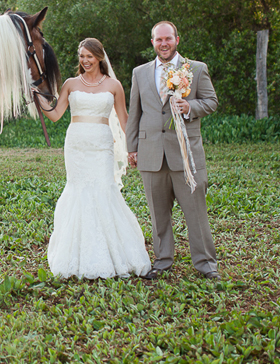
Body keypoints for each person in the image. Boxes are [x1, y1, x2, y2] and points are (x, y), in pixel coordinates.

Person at [34, 38, 151, 279]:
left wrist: (133, 148)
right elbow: (56, 115)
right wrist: (39, 97)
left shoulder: (114, 85)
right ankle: (75, 253)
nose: (85, 61)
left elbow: (124, 119)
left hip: (101, 144)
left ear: (99, 57)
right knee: (78, 189)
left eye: (90, 56)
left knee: (103, 188)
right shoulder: (70, 84)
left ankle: (115, 253)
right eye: (82, 56)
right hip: (76, 144)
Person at [126, 21, 219, 280]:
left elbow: (211, 101)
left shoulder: (196, 69)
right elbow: (135, 112)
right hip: (151, 152)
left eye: (168, 39)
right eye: (159, 40)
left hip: (186, 154)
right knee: (158, 214)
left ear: (177, 39)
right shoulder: (140, 73)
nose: (164, 44)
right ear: (152, 42)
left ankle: (206, 265)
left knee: (196, 213)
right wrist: (132, 147)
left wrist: (190, 108)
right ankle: (163, 261)